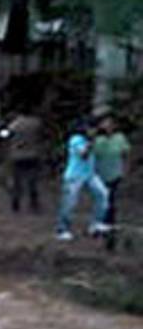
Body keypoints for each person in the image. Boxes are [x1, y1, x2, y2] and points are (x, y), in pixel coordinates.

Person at [56, 117, 110, 241]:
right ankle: (62, 229)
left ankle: (96, 223)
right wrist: (91, 142)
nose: (94, 131)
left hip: (90, 174)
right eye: (91, 129)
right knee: (69, 203)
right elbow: (83, 154)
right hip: (74, 176)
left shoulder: (91, 139)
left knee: (103, 194)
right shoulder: (76, 140)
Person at [92, 108, 129, 252]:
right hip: (100, 174)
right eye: (105, 123)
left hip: (114, 174)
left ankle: (109, 230)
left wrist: (125, 169)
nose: (108, 126)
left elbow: (125, 153)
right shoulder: (98, 140)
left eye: (110, 123)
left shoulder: (120, 138)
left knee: (110, 201)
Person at [2, 112, 44, 213]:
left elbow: (4, 135)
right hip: (33, 154)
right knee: (32, 180)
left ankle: (15, 204)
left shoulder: (14, 125)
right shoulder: (36, 123)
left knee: (17, 180)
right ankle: (34, 203)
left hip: (17, 155)